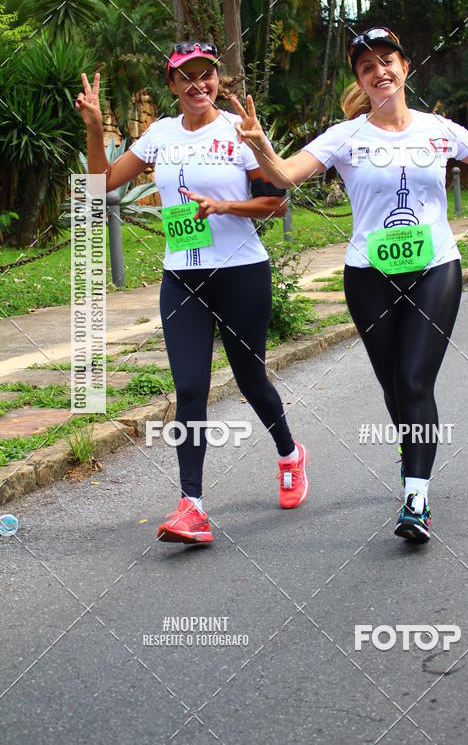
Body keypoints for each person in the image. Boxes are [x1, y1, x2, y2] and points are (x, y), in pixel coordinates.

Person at [230, 26, 468, 545]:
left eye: (387, 61)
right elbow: (284, 177)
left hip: (434, 266)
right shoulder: (344, 137)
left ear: (405, 67)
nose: (379, 72)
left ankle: (415, 496)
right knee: (394, 383)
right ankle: (413, 446)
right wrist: (260, 144)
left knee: (415, 379)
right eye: (367, 66)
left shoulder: (438, 130)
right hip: (368, 275)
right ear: (361, 80)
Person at [74, 42, 309, 546]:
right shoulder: (159, 135)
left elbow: (276, 204)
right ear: (173, 85)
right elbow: (101, 188)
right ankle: (193, 506)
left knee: (251, 380)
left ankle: (290, 454)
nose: (198, 85)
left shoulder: (237, 131)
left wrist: (225, 206)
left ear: (218, 79)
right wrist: (95, 127)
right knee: (189, 390)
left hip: (241, 273)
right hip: (181, 277)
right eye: (186, 77)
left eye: (207, 75)